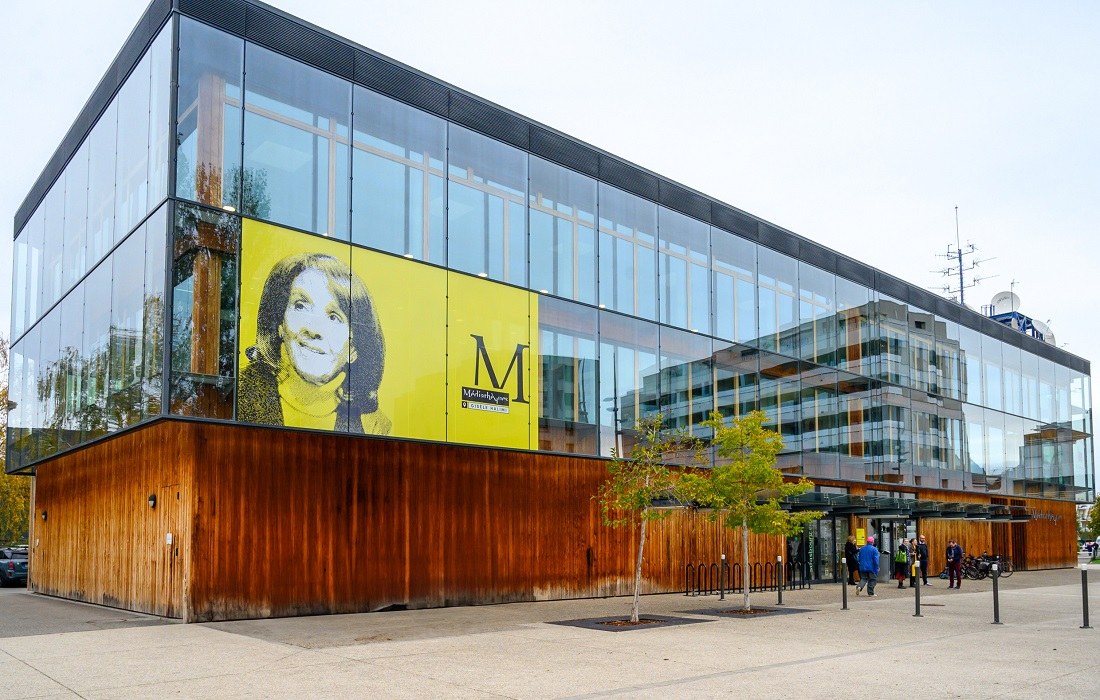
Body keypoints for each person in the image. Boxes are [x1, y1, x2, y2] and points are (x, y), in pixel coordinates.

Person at [239, 252, 391, 434]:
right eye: (300, 306)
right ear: (280, 323)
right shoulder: (237, 395)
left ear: (353, 348)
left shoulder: (373, 425)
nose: (314, 330)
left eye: (334, 317)